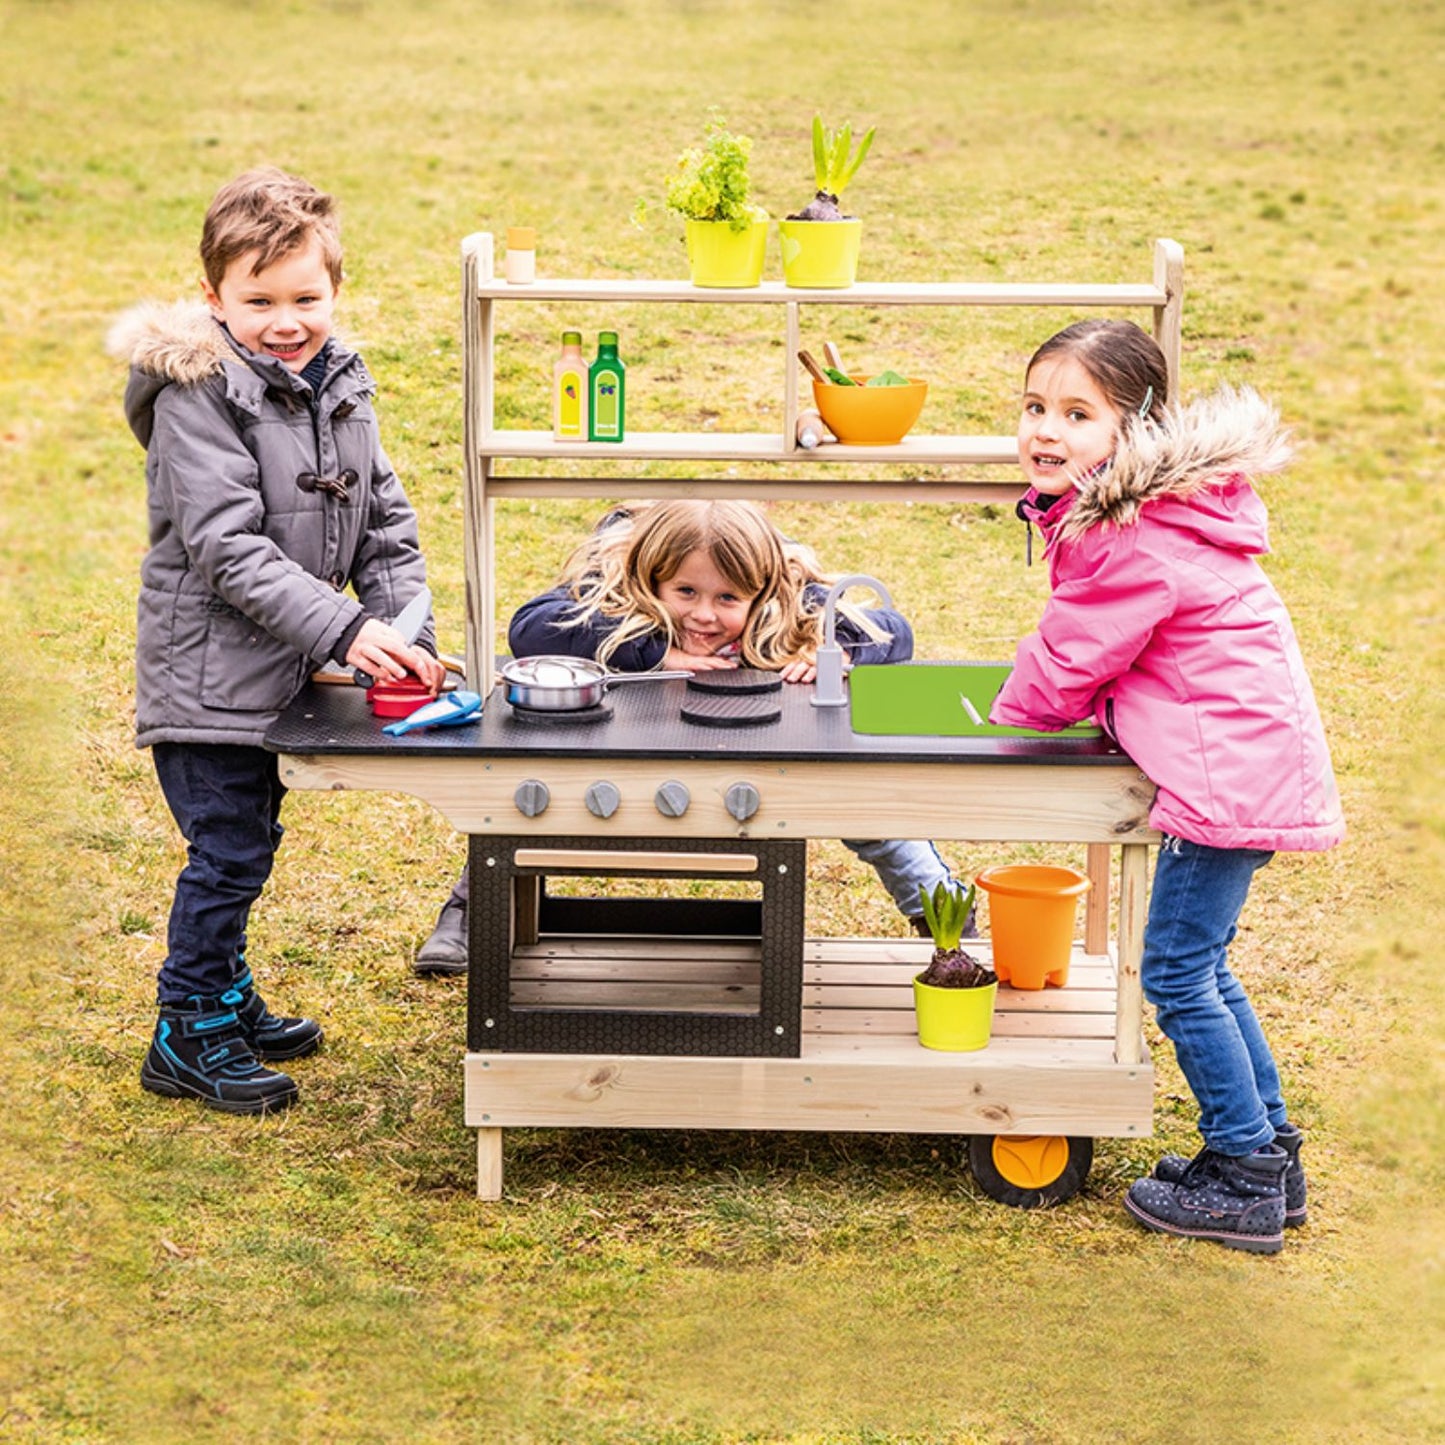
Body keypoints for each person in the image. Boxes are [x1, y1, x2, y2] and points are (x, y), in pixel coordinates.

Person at [991, 319, 1344, 1254]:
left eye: (1076, 413)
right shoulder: (1157, 513)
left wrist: (1005, 714)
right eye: (1035, 408)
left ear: (1135, 428)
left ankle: (1242, 1172)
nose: (1046, 431)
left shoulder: (1131, 535)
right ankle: (1269, 1155)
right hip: (1240, 760)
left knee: (1177, 970)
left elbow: (1070, 655)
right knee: (1205, 964)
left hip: (1225, 776)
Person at [110, 167, 446, 1114]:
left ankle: (226, 995)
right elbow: (226, 549)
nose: (285, 320)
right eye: (258, 300)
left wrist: (403, 627)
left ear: (336, 291)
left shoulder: (335, 380)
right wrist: (346, 627)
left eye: (306, 297)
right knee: (226, 851)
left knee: (249, 837)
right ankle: (187, 1027)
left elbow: (382, 516)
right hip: (207, 677)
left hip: (278, 667)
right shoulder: (197, 394)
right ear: (213, 299)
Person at [415, 499, 967, 973]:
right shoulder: (615, 579)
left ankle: (940, 911)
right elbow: (532, 626)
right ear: (652, 579)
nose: (703, 615)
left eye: (727, 599)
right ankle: (470, 910)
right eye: (684, 592)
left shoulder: (787, 593)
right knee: (534, 788)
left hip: (758, 743)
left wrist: (840, 652)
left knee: (860, 793)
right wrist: (656, 651)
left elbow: (895, 633)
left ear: (759, 594)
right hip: (625, 738)